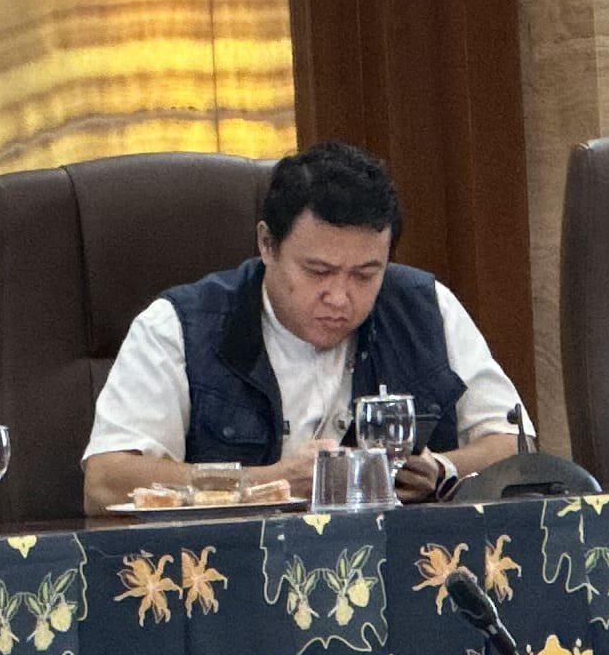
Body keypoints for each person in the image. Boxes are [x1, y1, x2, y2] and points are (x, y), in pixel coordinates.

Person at [80, 142, 527, 510]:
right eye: (318, 271)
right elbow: (105, 482)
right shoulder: (179, 325)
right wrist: (267, 482)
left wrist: (444, 469)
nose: (340, 297)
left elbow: (515, 445)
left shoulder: (425, 307)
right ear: (266, 244)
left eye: (365, 275)